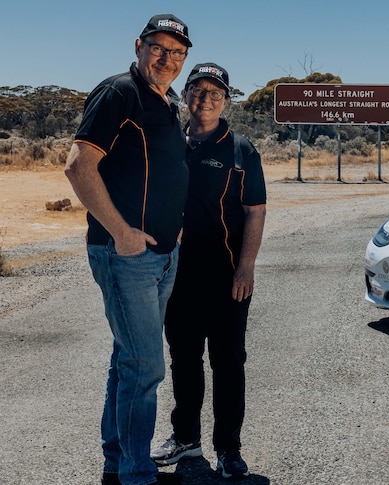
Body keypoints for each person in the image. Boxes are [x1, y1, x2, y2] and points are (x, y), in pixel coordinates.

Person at [64, 14, 192, 485]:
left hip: (161, 255)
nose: (167, 59)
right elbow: (79, 167)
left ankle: (118, 459)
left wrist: (173, 229)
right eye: (158, 48)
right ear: (138, 46)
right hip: (126, 257)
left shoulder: (167, 101)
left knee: (128, 360)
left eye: (177, 53)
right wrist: (121, 233)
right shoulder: (119, 91)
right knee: (145, 366)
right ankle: (137, 473)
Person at [150, 62, 266, 480]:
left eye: (215, 93)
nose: (205, 99)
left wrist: (246, 267)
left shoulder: (241, 149)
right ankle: (185, 440)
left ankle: (229, 449)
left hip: (227, 277)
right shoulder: (168, 143)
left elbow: (255, 212)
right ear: (185, 96)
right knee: (183, 360)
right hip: (176, 274)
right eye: (198, 91)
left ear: (225, 101)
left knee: (228, 362)